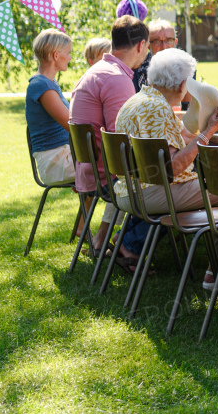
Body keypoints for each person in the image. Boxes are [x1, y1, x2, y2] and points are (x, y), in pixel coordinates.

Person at [112, 47, 218, 287]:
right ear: (182, 84)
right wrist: (208, 132)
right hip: (152, 191)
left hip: (128, 190)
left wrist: (199, 130)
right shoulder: (157, 109)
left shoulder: (139, 100)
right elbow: (172, 168)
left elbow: (172, 143)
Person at [69, 15, 149, 270]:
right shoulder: (117, 78)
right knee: (172, 182)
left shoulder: (96, 72)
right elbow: (123, 142)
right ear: (140, 46)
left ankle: (119, 238)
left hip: (91, 170)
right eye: (147, 48)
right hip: (108, 177)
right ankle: (129, 245)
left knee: (167, 175)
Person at [25, 29, 76, 184]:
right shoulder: (41, 86)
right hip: (54, 162)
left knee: (112, 162)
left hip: (63, 155)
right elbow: (72, 126)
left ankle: (87, 206)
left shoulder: (49, 83)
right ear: (55, 55)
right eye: (67, 53)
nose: (70, 57)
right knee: (112, 163)